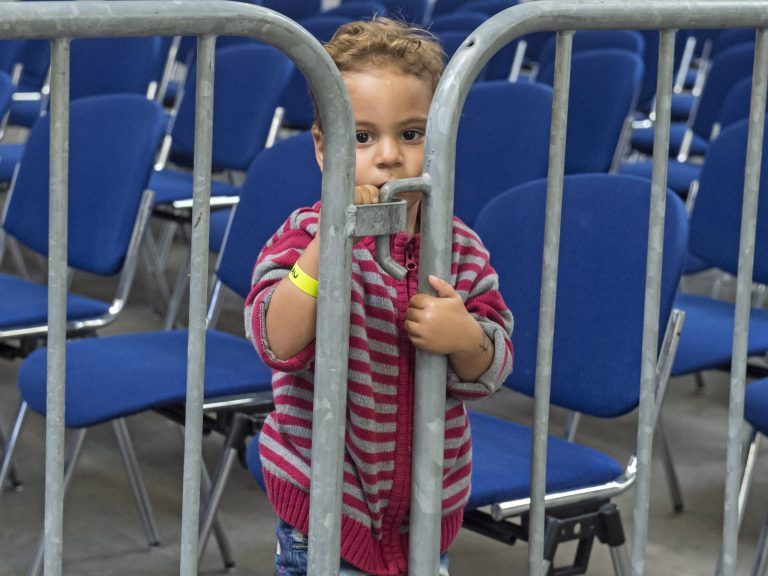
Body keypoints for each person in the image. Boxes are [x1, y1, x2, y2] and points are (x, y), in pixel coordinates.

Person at [245, 18, 514, 576]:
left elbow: (494, 361)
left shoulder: (458, 247)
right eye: (362, 137)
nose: (388, 156)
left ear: (440, 140)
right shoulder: (303, 235)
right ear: (325, 149)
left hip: (426, 517)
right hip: (321, 519)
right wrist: (329, 246)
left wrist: (465, 338)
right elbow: (275, 340)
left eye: (411, 134)